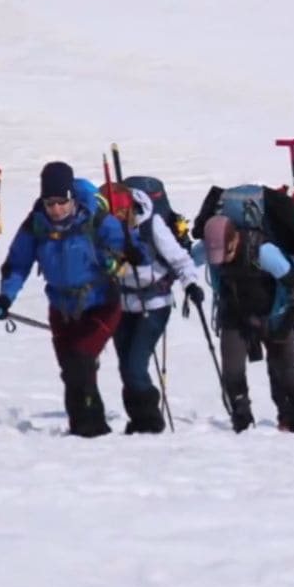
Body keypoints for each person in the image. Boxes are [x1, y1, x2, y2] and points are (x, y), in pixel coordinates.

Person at [0, 162, 128, 437]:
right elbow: (18, 264)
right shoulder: (36, 225)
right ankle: (81, 430)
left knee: (81, 362)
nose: (56, 209)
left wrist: (116, 260)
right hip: (62, 307)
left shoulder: (96, 219)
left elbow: (122, 245)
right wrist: (6, 297)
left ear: (72, 198)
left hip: (101, 303)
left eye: (62, 202)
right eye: (50, 203)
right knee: (71, 371)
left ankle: (94, 431)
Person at [196, 214, 294, 432]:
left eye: (224, 253)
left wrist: (288, 319)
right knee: (232, 369)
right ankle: (241, 419)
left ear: (234, 240)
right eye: (215, 257)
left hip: (274, 315)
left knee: (286, 371)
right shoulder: (208, 247)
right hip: (235, 315)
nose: (221, 260)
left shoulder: (263, 252)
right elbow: (182, 262)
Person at [113, 186, 203, 434]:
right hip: (121, 305)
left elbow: (180, 259)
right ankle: (138, 420)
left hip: (155, 304)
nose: (117, 218)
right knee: (125, 367)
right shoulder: (105, 228)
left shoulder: (152, 226)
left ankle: (150, 422)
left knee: (134, 366)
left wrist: (191, 284)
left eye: (120, 212)